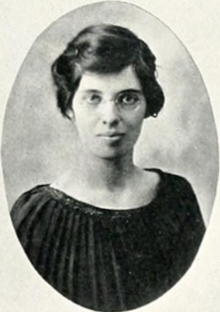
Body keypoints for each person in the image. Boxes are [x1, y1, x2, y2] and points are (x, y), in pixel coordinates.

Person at [11, 24, 205, 312]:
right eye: (93, 98)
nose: (110, 117)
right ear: (68, 107)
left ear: (146, 103)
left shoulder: (177, 198)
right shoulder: (35, 217)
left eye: (127, 98)